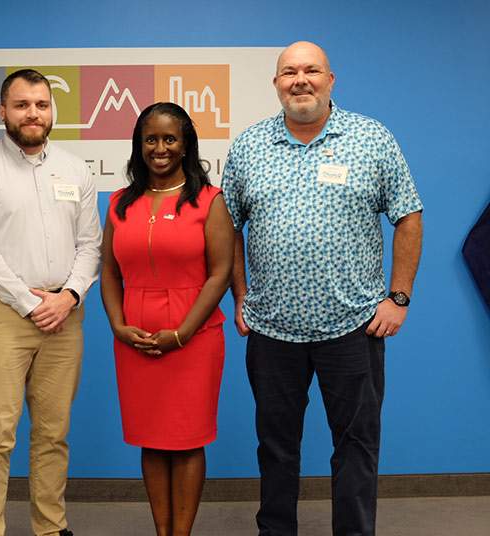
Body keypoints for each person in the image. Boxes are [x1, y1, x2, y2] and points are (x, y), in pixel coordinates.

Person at [222, 41, 423, 536]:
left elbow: (409, 215)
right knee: (275, 445)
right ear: (276, 84)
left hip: (354, 327)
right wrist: (240, 295)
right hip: (273, 331)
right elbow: (225, 227)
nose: (300, 80)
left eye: (312, 70)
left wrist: (398, 298)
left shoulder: (371, 138)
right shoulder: (249, 145)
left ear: (332, 80)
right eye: (289, 72)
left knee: (356, 445)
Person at [0, 69, 102, 536]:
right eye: (21, 105)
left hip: (65, 316)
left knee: (53, 435)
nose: (32, 114)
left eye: (40, 104)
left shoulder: (75, 169)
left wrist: (70, 296)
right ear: (3, 111)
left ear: (51, 110)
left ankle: (50, 527)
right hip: (4, 314)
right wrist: (27, 301)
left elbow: (90, 245)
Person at [100, 102, 234, 536]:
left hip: (192, 339)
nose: (159, 148)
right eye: (150, 139)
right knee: (152, 440)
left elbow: (220, 273)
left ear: (186, 145)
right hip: (135, 338)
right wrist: (118, 325)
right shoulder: (121, 202)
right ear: (139, 146)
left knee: (186, 440)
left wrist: (181, 333)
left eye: (169, 139)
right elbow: (108, 271)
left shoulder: (210, 201)